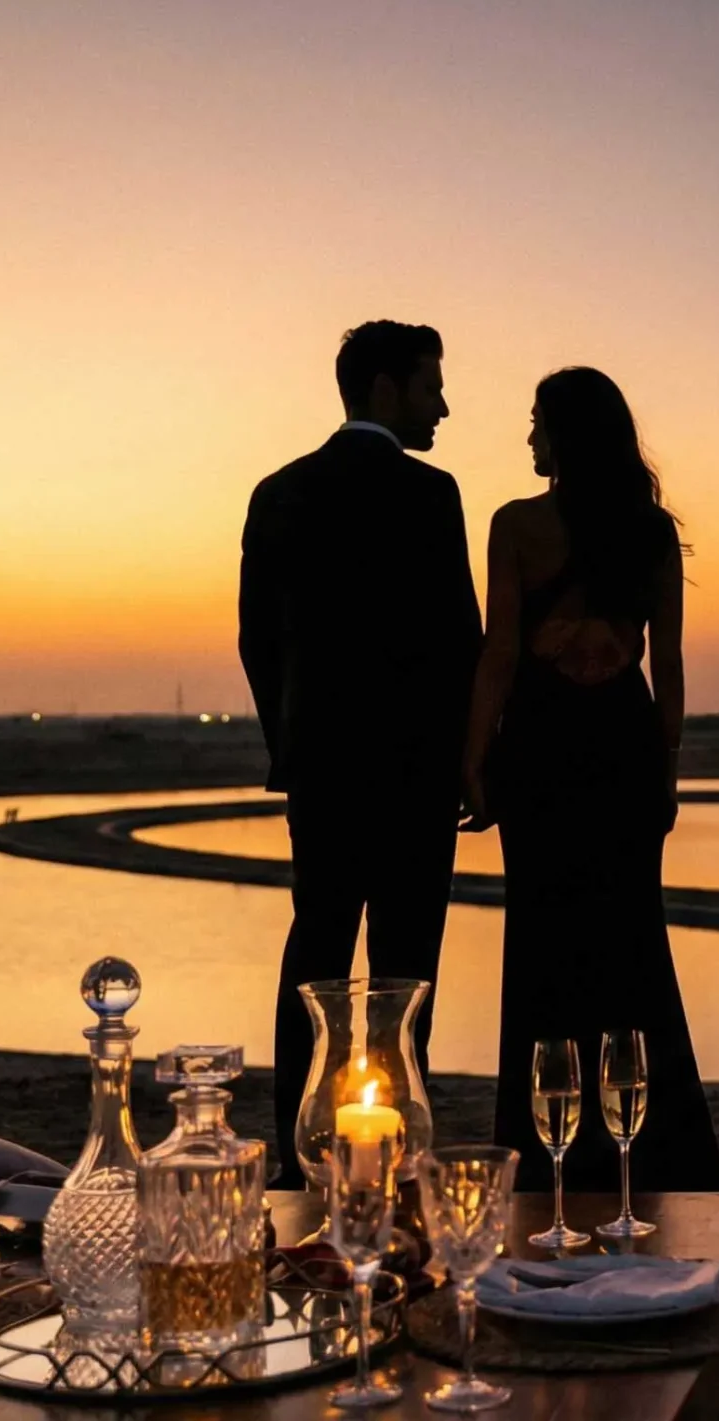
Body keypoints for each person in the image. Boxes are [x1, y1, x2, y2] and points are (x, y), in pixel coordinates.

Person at [463, 366, 719, 1193]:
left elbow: (500, 656)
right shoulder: (648, 532)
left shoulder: (515, 525)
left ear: (567, 433)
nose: (530, 437)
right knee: (631, 951)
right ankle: (650, 1152)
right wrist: (670, 770)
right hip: (623, 751)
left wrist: (473, 759)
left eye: (539, 421)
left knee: (543, 950)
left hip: (541, 752)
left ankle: (549, 1158)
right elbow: (670, 668)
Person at [239, 320, 481, 1185]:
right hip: (417, 776)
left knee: (317, 956)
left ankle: (296, 1157)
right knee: (408, 968)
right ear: (384, 389)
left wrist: (292, 745)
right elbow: (463, 641)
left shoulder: (281, 493)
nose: (443, 406)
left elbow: (257, 642)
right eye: (430, 387)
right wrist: (470, 760)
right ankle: (398, 1147)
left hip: (326, 774)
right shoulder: (433, 494)